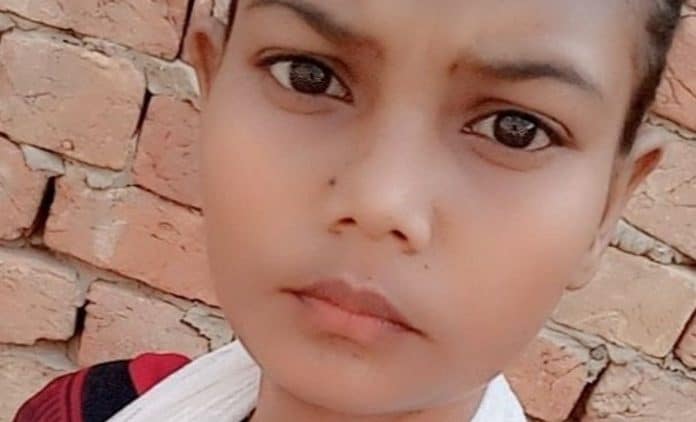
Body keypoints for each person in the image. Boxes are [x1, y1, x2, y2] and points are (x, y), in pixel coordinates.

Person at [15, 1, 685, 421]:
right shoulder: (84, 410)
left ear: (607, 209)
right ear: (211, 92)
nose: (379, 201)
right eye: (309, 76)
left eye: (516, 130)